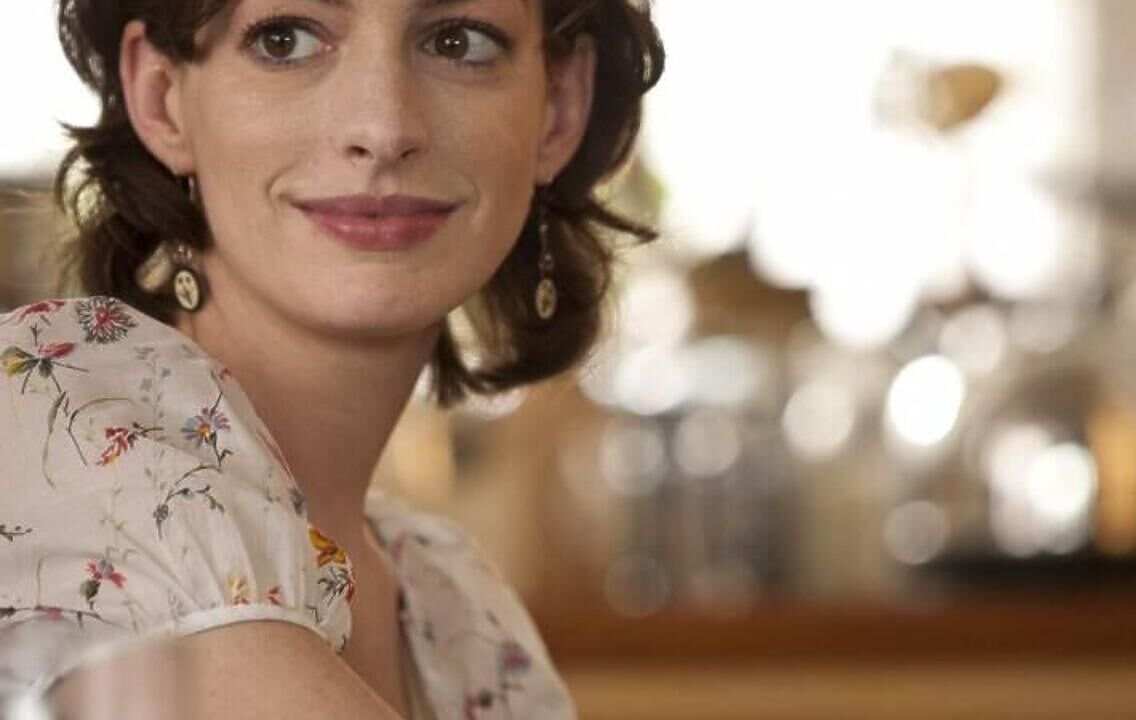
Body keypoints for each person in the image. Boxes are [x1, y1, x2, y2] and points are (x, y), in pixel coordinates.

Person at [0, 0, 663, 717]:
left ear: (558, 108)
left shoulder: (465, 616)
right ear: (163, 98)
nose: (384, 129)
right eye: (284, 39)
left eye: (457, 42)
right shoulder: (52, 432)